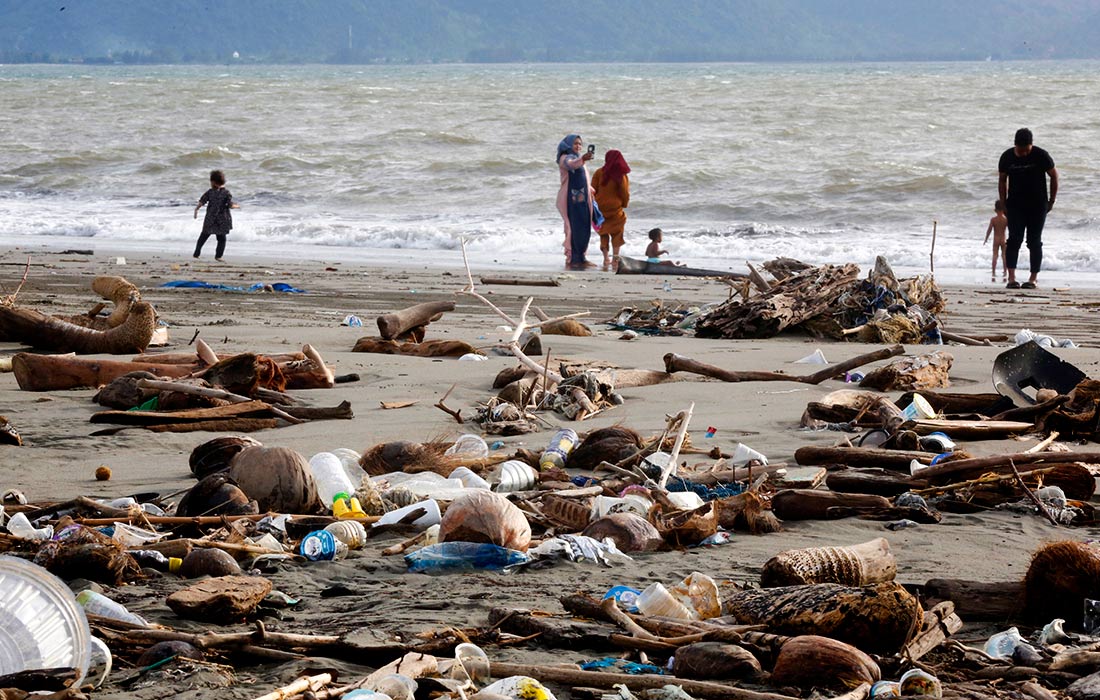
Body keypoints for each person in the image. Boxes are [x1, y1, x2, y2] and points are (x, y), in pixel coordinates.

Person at [998, 128, 1058, 289]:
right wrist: (1003, 203)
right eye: (1020, 150)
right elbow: (1002, 180)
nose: (1024, 154)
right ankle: (1011, 278)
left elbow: (1054, 175)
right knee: (1014, 240)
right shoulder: (1007, 157)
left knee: (1034, 241)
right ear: (1015, 145)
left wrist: (1051, 201)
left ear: (1032, 145)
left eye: (1027, 150)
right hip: (1015, 205)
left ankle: (1033, 279)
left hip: (1038, 205)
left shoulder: (1041, 155)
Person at [556, 134, 595, 270]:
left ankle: (582, 257)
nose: (578, 146)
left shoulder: (578, 160)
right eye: (575, 144)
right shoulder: (564, 158)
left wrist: (590, 189)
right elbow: (571, 165)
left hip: (583, 200)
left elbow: (584, 178)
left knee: (584, 228)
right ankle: (573, 258)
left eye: (580, 144)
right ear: (568, 145)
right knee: (574, 228)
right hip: (570, 201)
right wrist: (583, 159)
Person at [591, 149, 631, 270]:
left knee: (603, 233)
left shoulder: (599, 172)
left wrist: (593, 205)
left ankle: (605, 258)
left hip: (600, 209)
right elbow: (625, 193)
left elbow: (592, 190)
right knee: (617, 233)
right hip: (615, 209)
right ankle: (615, 259)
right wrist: (624, 204)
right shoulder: (621, 175)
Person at [193, 169, 239, 261]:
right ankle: (218, 256)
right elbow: (230, 205)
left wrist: (196, 209)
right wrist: (237, 206)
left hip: (210, 218)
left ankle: (196, 253)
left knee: (204, 236)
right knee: (221, 239)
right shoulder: (226, 193)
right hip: (222, 219)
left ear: (213, 182)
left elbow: (202, 201)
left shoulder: (210, 192)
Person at [983, 200, 1009, 283]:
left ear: (995, 210)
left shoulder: (993, 219)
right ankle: (1005, 271)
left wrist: (986, 239)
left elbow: (989, 230)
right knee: (1004, 256)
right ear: (1004, 210)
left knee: (995, 255)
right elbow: (1010, 229)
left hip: (996, 239)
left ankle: (993, 271)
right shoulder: (1006, 219)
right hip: (1003, 239)